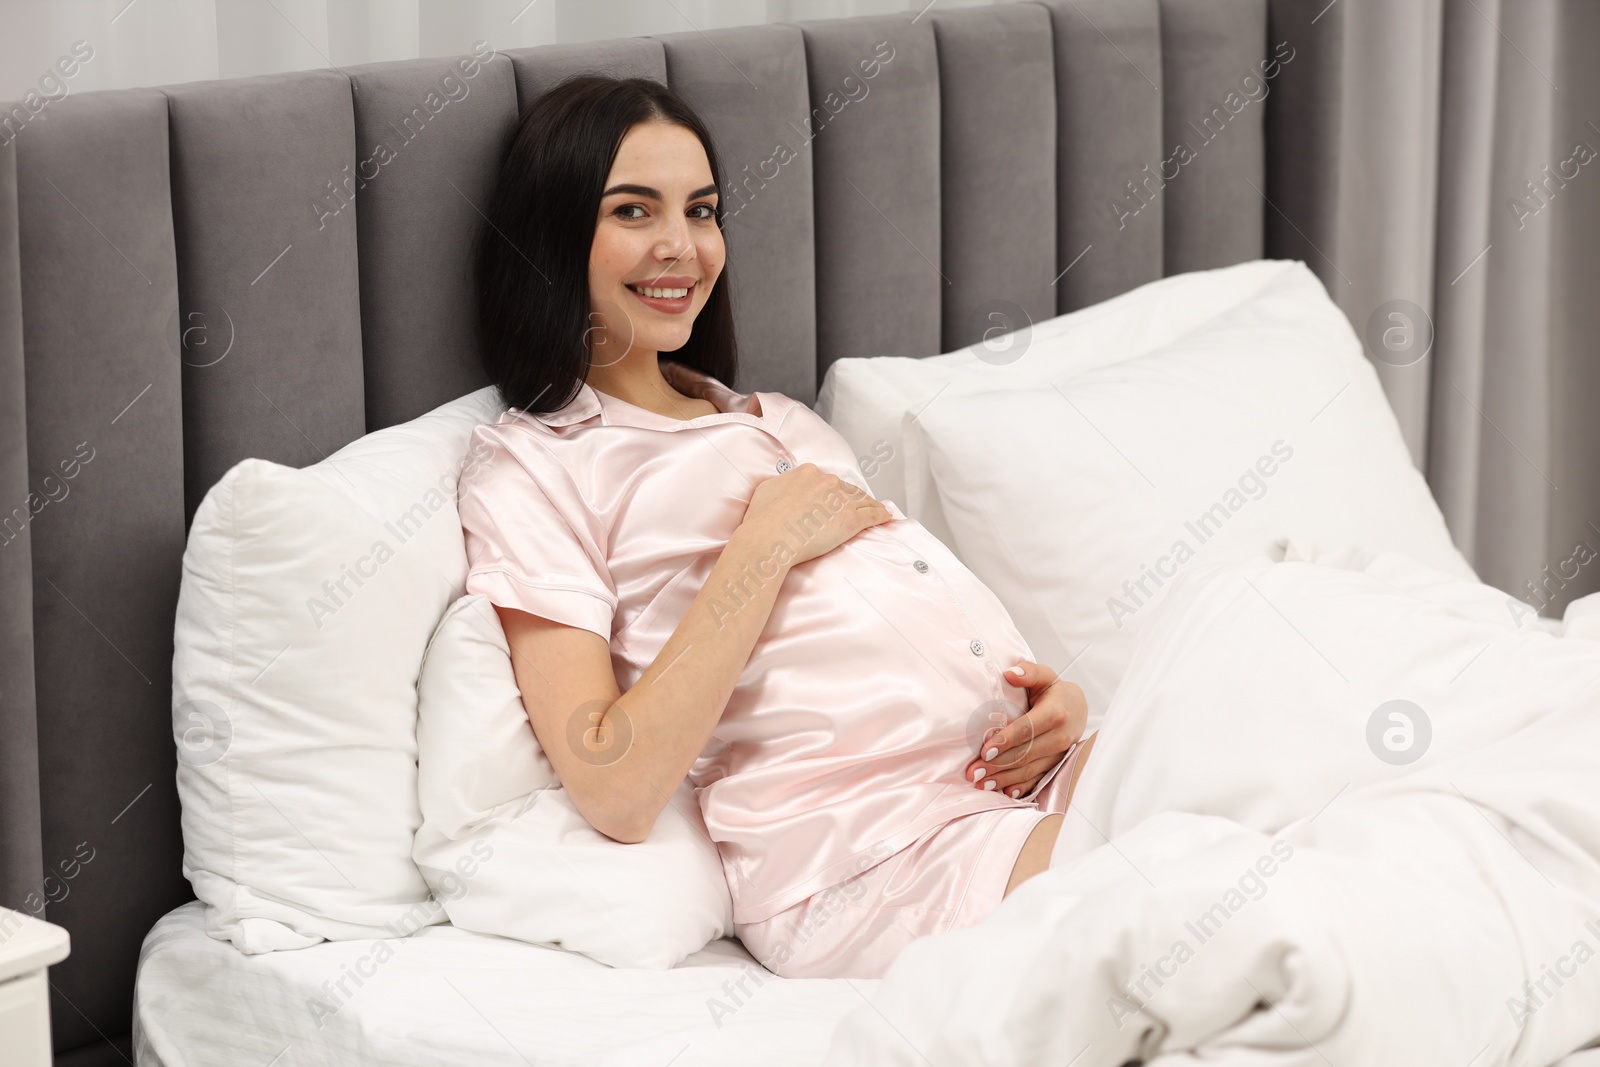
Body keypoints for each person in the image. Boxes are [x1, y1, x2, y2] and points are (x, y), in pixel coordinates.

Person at [459, 74, 1097, 980]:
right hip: (867, 854)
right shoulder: (533, 466)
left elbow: (895, 621)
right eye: (634, 211)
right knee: (1196, 892)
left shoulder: (774, 420)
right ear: (555, 235)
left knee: (1259, 763)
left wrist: (1054, 709)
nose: (681, 247)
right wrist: (761, 548)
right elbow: (614, 783)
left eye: (702, 210)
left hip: (1007, 785)